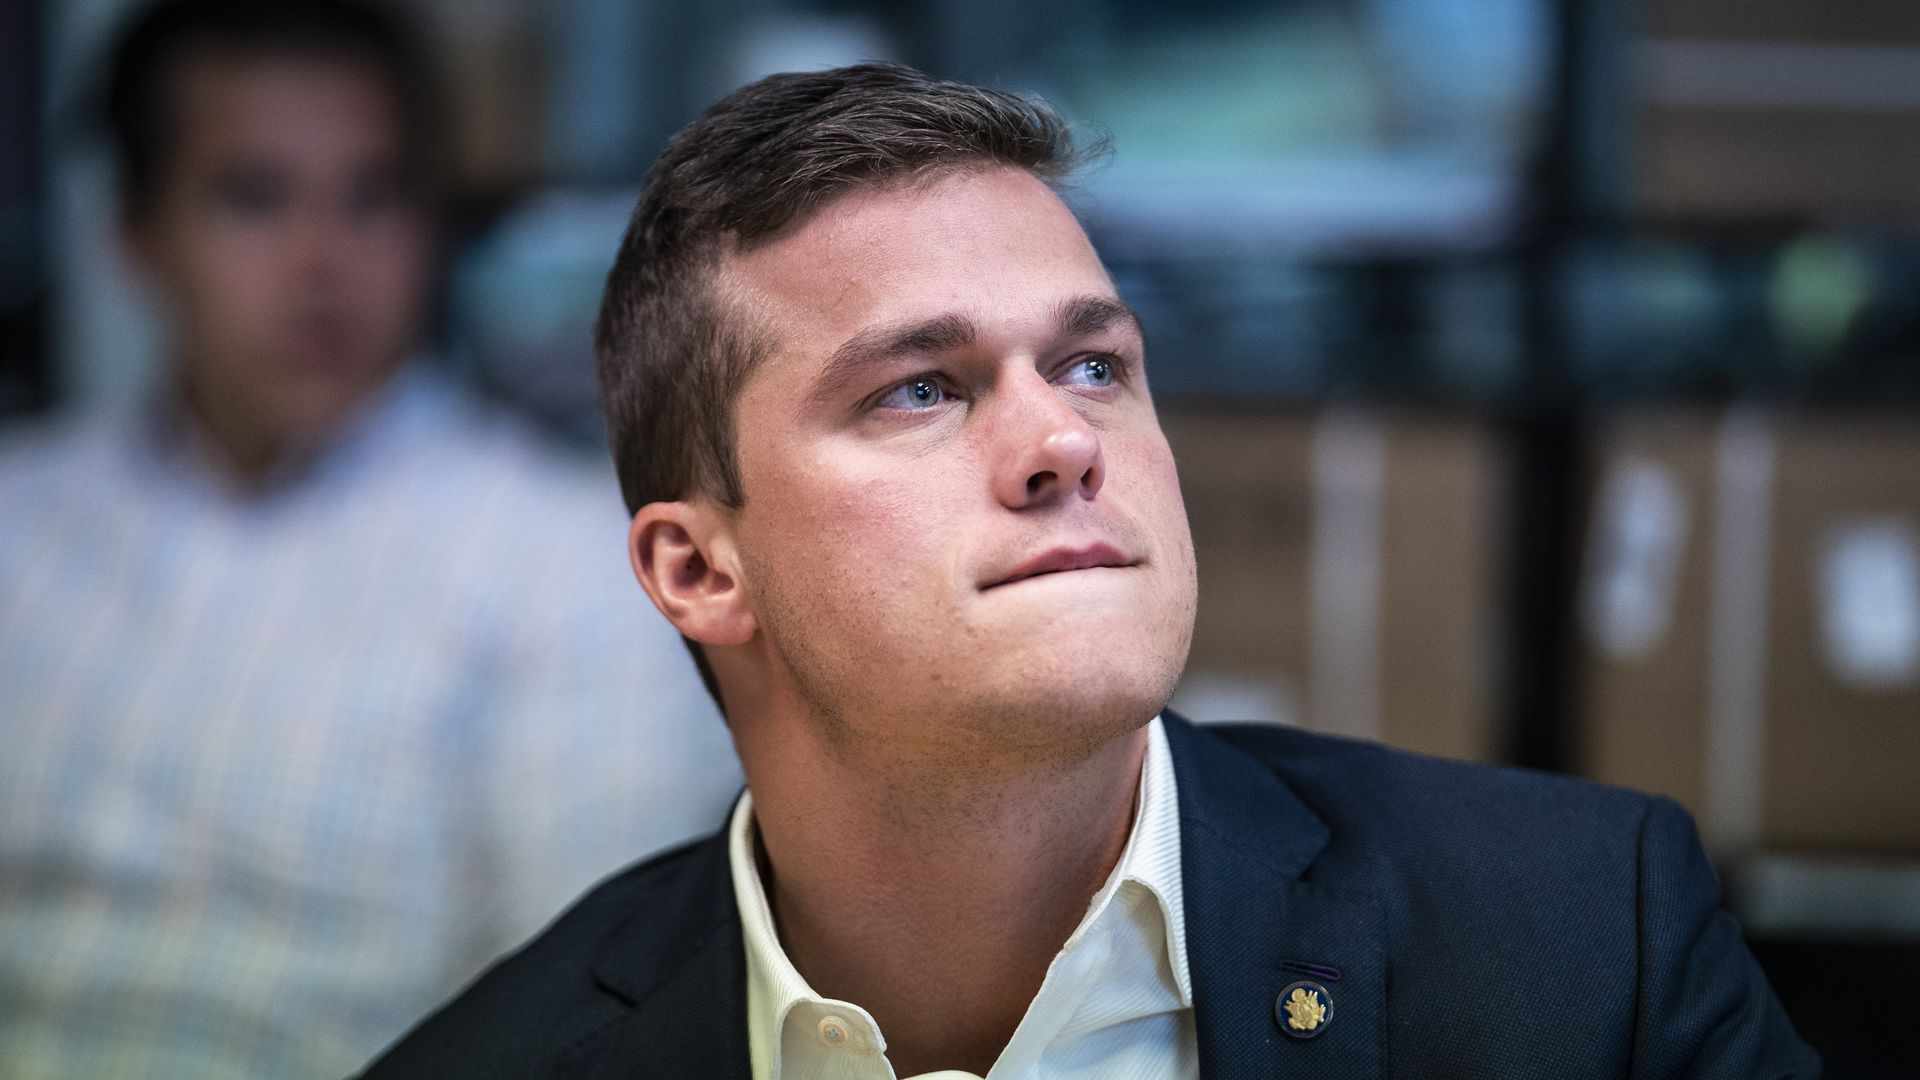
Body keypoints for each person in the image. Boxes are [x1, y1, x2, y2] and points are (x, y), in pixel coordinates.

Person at [362, 64, 1817, 1078]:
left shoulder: (1583, 944)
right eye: (919, 389)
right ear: (697, 568)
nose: (1062, 438)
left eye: (1093, 363)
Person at [0, 2, 740, 1077]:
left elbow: (589, 1015)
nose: (321, 260)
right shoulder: (19, 518)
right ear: (136, 233)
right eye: (253, 197)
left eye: (374, 196)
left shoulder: (568, 558)